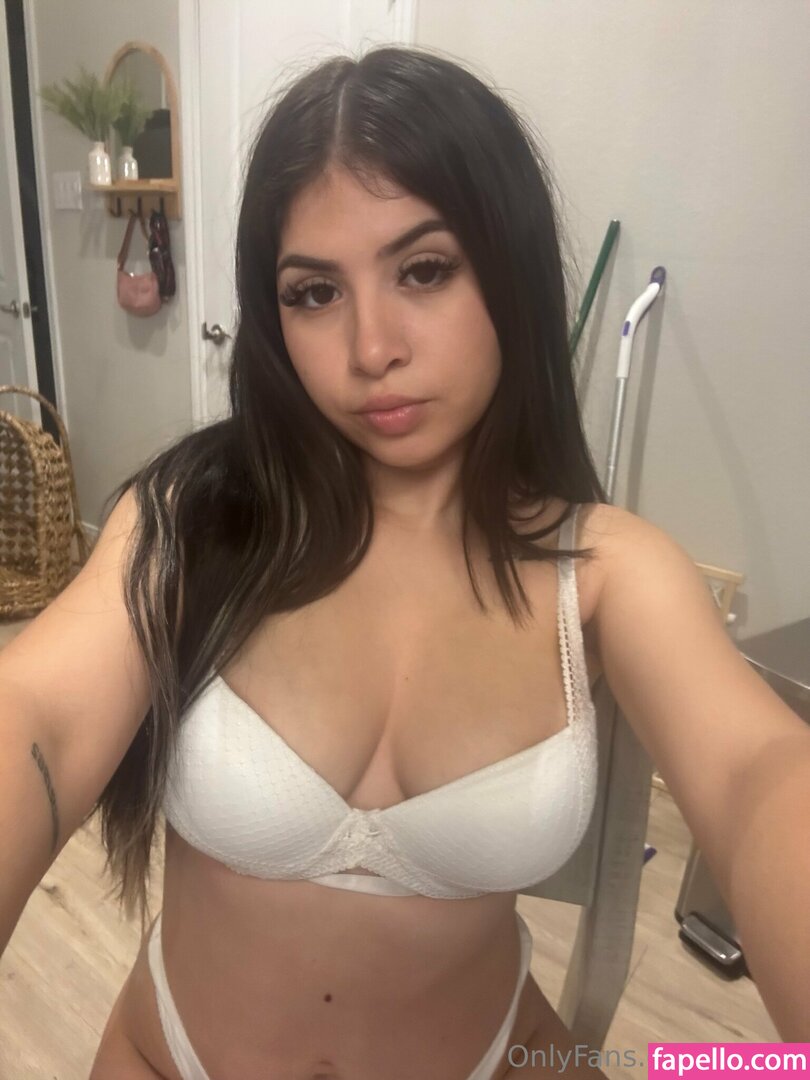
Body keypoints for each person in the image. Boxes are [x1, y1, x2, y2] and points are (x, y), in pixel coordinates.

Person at [1, 44, 808, 1080]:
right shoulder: (194, 519)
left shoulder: (607, 570)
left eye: (424, 270)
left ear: (509, 270)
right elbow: (37, 715)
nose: (371, 347)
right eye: (313, 292)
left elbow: (756, 776)